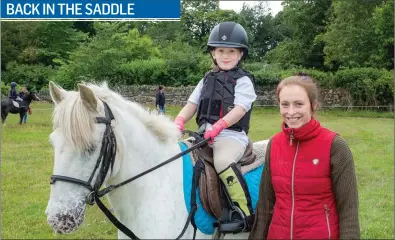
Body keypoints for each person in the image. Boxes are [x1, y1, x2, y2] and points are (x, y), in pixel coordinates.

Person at [249, 73, 360, 239]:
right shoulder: (274, 144)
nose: (291, 112)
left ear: (313, 105)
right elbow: (265, 204)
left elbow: (348, 210)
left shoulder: (335, 146)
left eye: (298, 104)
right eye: (285, 104)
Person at [173, 21, 257, 231]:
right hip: (204, 135)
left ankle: (243, 212)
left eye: (231, 51)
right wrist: (179, 121)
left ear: (240, 54)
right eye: (221, 51)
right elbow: (192, 104)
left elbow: (240, 109)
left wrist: (219, 126)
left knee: (222, 161)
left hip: (230, 136)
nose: (226, 56)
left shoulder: (243, 80)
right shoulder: (206, 79)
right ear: (213, 53)